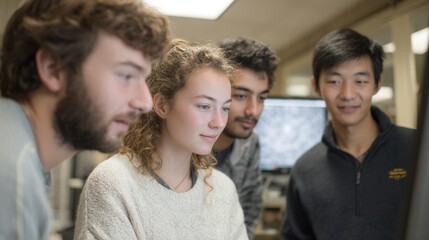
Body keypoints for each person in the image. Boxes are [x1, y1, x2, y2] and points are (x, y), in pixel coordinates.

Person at [0, 0, 169, 239]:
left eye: (144, 79)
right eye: (126, 75)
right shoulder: (12, 178)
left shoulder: (21, 153)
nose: (145, 103)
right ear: (53, 69)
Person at [74, 39, 248, 240]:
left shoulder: (222, 190)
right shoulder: (114, 183)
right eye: (204, 106)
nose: (218, 122)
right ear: (162, 105)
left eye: (225, 108)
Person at [279, 28, 416, 240]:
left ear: (377, 84)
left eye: (360, 81)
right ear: (316, 86)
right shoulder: (305, 169)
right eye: (334, 81)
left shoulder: (417, 149)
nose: (347, 94)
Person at [213, 36, 279, 239]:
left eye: (261, 98)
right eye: (241, 96)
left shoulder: (250, 142)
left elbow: (250, 206)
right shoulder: (184, 143)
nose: (253, 110)